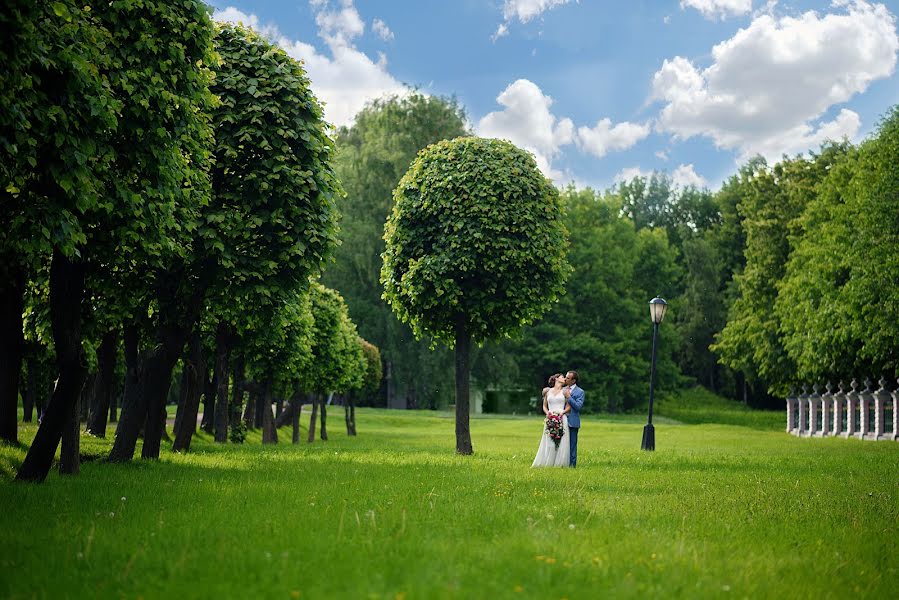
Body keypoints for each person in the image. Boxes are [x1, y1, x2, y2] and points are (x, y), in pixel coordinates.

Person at [531, 373, 571, 467]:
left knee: (561, 440)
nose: (564, 378)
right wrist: (548, 413)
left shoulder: (565, 392)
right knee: (549, 440)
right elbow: (544, 406)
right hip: (550, 417)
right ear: (557, 378)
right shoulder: (548, 392)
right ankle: (548, 462)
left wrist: (563, 412)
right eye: (562, 377)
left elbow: (569, 406)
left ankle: (559, 463)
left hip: (561, 417)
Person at [563, 370, 584, 467]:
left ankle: (572, 465)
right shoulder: (562, 389)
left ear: (573, 380)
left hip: (573, 422)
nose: (565, 379)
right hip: (561, 421)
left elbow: (578, 407)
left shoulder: (580, 392)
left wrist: (569, 397)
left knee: (572, 445)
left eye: (567, 378)